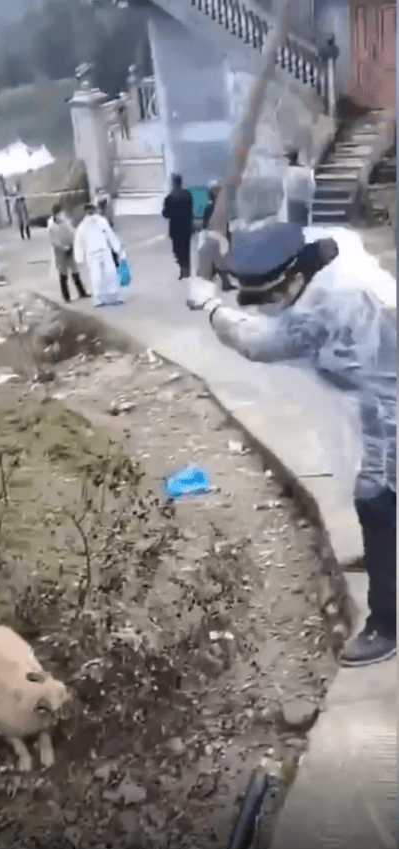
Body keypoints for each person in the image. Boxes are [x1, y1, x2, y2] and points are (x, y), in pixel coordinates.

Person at [207, 232, 396, 667]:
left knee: (376, 500)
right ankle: (382, 554)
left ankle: (386, 625)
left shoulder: (331, 303)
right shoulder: (328, 271)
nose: (269, 304)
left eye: (272, 294)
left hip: (390, 413)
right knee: (379, 498)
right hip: (379, 402)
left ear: (294, 277)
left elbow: (261, 343)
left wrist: (211, 307)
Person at [73, 203, 123, 308]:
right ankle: (98, 298)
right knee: (97, 276)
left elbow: (110, 234)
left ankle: (113, 295)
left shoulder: (101, 221)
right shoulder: (83, 226)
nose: (91, 213)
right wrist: (79, 257)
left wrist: (116, 247)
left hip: (104, 250)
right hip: (92, 253)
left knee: (110, 273)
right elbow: (79, 242)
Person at [47, 203, 90, 303]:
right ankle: (66, 297)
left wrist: (74, 244)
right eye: (60, 213)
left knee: (75, 271)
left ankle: (82, 292)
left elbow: (72, 232)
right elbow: (54, 241)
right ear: (56, 214)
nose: (62, 214)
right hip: (60, 251)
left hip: (70, 248)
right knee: (63, 273)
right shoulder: (51, 226)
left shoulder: (65, 221)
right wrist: (65, 248)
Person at [163, 174, 194, 280]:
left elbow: (165, 214)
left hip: (175, 229)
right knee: (186, 249)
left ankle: (182, 268)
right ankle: (186, 269)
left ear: (173, 183)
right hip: (186, 227)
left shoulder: (170, 197)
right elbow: (191, 210)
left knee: (177, 249)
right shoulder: (187, 194)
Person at [284, 150, 316, 226]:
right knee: (302, 225)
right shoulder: (305, 170)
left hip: (291, 201)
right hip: (302, 201)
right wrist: (309, 199)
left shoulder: (286, 171)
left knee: (292, 224)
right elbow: (311, 186)